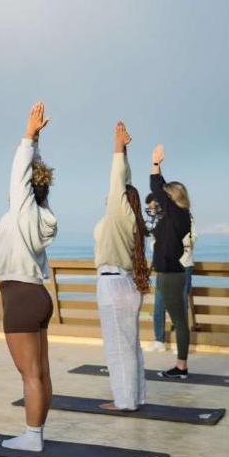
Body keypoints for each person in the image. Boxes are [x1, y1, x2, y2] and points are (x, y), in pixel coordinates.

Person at [0, 102, 58, 451]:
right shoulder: (39, 214)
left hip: (20, 296)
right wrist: (38, 142)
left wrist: (28, 136)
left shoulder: (23, 211)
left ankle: (32, 437)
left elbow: (21, 174)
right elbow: (33, 176)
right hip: (38, 296)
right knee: (40, 371)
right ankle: (37, 433)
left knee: (30, 374)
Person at [93, 122, 152, 411]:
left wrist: (117, 147)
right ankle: (136, 397)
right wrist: (125, 150)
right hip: (127, 285)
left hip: (114, 285)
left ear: (121, 202)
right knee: (131, 345)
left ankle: (125, 401)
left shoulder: (118, 215)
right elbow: (124, 183)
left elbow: (117, 182)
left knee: (119, 348)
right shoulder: (133, 220)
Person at [149, 144, 193, 379]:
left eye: (165, 196)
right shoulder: (182, 215)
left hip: (170, 275)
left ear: (171, 198)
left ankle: (181, 367)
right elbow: (159, 189)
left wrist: (156, 163)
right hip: (174, 273)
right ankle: (181, 365)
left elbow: (156, 186)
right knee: (179, 319)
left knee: (178, 320)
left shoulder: (175, 214)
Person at [146, 196, 197, 353]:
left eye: (154, 207)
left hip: (182, 265)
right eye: (150, 208)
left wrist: (173, 246)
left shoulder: (184, 216)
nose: (152, 211)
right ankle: (159, 341)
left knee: (181, 305)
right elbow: (153, 244)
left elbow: (192, 238)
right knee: (159, 305)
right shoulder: (157, 222)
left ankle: (182, 344)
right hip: (163, 267)